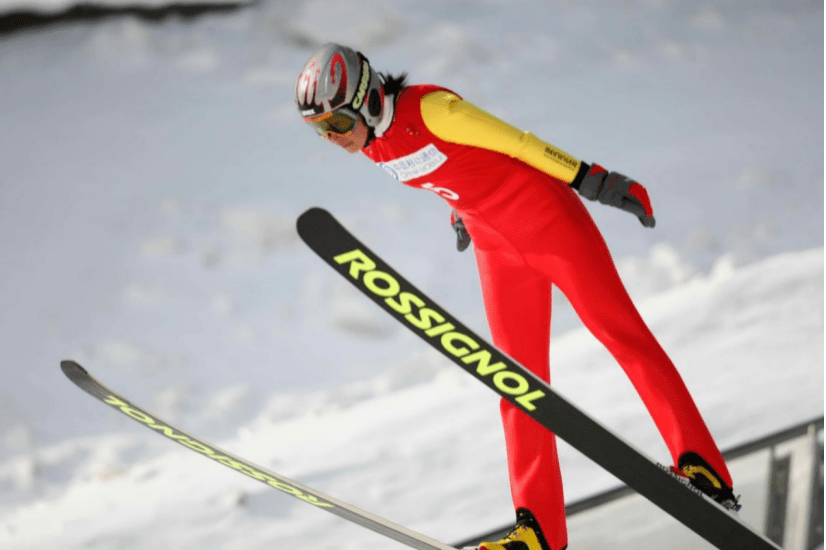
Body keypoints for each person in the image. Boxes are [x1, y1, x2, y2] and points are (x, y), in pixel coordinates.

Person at [295, 43, 738, 550]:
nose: (332, 138)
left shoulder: (432, 109)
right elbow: (452, 170)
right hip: (495, 247)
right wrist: (459, 212)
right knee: (516, 383)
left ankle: (702, 467)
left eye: (337, 122)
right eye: (320, 130)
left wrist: (594, 180)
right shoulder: (370, 141)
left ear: (368, 97)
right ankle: (538, 529)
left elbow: (518, 144)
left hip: (546, 221)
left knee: (620, 333)